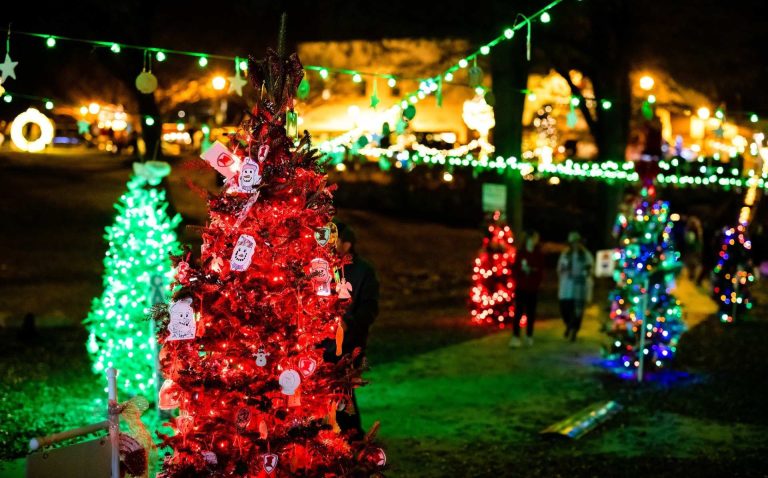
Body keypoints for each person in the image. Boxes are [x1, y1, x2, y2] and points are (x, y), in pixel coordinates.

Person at [326, 221, 380, 439]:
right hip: (322, 343)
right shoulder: (322, 267)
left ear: (346, 244)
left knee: (342, 393)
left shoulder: (363, 271)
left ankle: (351, 436)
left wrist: (350, 323)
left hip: (348, 344)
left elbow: (369, 307)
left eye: (334, 239)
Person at [509, 230, 544, 348]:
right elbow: (515, 269)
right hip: (521, 287)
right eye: (535, 238)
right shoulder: (521, 253)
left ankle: (529, 335)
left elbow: (540, 271)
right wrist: (521, 273)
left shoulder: (538, 254)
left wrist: (534, 273)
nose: (536, 241)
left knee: (531, 312)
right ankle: (516, 336)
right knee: (518, 312)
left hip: (532, 288)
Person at [558, 231, 594, 342]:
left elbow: (590, 269)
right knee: (565, 308)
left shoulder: (585, 255)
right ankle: (568, 325)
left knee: (577, 310)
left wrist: (585, 273)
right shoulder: (565, 254)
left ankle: (573, 330)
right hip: (567, 286)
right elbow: (560, 268)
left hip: (580, 286)